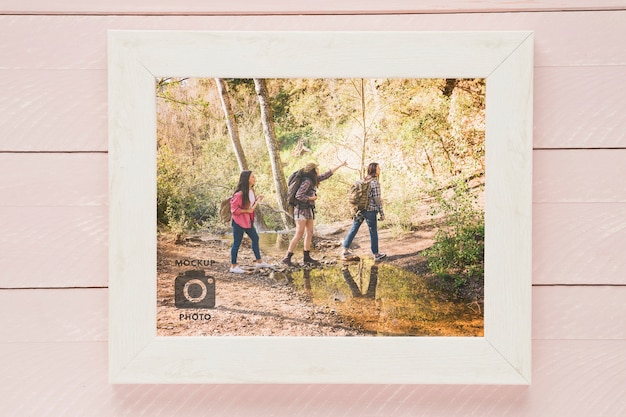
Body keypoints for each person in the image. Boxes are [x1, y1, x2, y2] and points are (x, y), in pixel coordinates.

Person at [282, 161, 347, 266]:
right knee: (299, 234)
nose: (318, 170)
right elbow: (299, 196)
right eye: (317, 169)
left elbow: (326, 175)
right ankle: (287, 257)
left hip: (308, 209)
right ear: (313, 170)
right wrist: (311, 198)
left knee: (310, 232)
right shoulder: (307, 182)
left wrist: (340, 165)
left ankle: (306, 257)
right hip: (301, 210)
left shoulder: (313, 180)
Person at [341, 162, 387, 262]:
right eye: (378, 168)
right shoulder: (374, 182)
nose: (380, 169)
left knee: (354, 228)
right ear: (375, 170)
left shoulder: (363, 180)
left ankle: (345, 250)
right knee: (373, 232)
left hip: (360, 210)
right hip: (370, 211)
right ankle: (376, 254)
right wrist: (382, 213)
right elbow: (377, 199)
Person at [229, 171, 272, 273]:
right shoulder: (239, 194)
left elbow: (250, 204)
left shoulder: (251, 190)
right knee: (237, 243)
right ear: (247, 179)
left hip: (248, 221)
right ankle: (233, 266)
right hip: (238, 222)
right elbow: (234, 210)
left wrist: (257, 199)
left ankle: (259, 261)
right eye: (253, 176)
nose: (255, 178)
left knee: (255, 238)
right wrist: (246, 211)